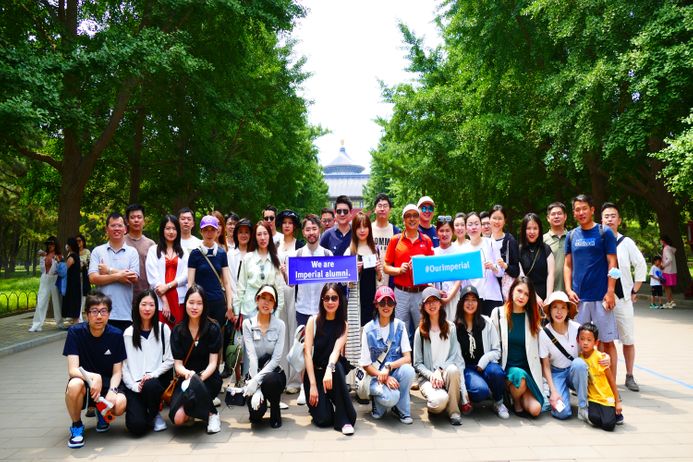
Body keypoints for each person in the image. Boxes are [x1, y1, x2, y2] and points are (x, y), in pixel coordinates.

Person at [564, 194, 618, 381]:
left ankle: (611, 384)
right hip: (579, 299)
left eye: (584, 208)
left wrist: (610, 292)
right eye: (577, 209)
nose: (581, 212)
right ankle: (581, 382)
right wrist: (569, 290)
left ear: (592, 210)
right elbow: (568, 265)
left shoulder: (605, 233)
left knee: (607, 341)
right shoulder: (571, 235)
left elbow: (613, 263)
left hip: (602, 297)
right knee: (579, 342)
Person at [63, 292, 127, 448]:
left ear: (109, 314)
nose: (99, 316)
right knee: (74, 385)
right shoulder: (75, 332)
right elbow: (72, 370)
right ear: (86, 314)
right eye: (94, 311)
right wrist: (94, 377)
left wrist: (112, 390)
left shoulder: (116, 335)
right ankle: (77, 426)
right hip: (85, 382)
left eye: (103, 311)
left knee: (119, 404)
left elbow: (117, 371)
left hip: (107, 383)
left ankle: (101, 412)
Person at [601, 202, 647, 392]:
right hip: (602, 298)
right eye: (606, 216)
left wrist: (634, 290)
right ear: (601, 220)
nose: (610, 219)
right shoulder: (598, 241)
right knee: (602, 339)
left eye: (613, 216)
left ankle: (629, 375)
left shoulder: (626, 243)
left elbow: (641, 265)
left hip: (623, 298)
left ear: (619, 220)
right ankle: (602, 376)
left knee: (627, 338)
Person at [303, 283, 357, 435]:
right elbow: (307, 353)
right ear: (322, 300)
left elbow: (335, 351)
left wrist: (329, 369)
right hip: (314, 374)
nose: (330, 302)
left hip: (332, 373)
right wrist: (313, 385)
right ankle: (323, 405)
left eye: (334, 298)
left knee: (337, 367)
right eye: (327, 298)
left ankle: (344, 419)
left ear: (340, 301)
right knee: (324, 420)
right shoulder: (313, 321)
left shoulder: (343, 325)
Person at [169, 285, 223, 434]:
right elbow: (178, 365)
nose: (194, 307)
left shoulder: (213, 328)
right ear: (185, 303)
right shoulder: (178, 331)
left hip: (209, 378)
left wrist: (198, 378)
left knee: (197, 389)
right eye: (191, 302)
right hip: (186, 379)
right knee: (178, 419)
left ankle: (212, 414)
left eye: (199, 303)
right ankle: (194, 410)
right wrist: (188, 375)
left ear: (204, 305)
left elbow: (213, 363)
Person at [292, 214, 334, 404]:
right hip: (302, 308)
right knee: (304, 348)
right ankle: (304, 386)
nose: (311, 233)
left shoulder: (327, 255)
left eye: (314, 229)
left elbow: (334, 283)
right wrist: (287, 274)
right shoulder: (297, 254)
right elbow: (291, 284)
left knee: (322, 348)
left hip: (322, 310)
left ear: (320, 230)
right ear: (304, 232)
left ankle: (325, 383)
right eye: (307, 229)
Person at [359, 286, 416, 424]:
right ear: (376, 305)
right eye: (382, 302)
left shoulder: (400, 326)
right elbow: (366, 365)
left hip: (394, 375)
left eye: (389, 302)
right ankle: (378, 406)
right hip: (375, 378)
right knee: (391, 398)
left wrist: (389, 367)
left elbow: (407, 358)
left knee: (409, 371)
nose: (386, 306)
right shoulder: (367, 329)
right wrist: (383, 377)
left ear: (395, 305)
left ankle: (402, 410)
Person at [413, 287, 469, 425]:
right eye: (428, 302)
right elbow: (417, 363)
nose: (432, 305)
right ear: (423, 306)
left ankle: (454, 412)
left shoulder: (451, 327)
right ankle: (440, 403)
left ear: (440, 303)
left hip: (445, 373)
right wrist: (432, 375)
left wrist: (440, 370)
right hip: (428, 378)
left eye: (435, 301)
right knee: (438, 402)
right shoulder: (420, 331)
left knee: (453, 370)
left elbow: (454, 355)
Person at [491, 276, 544, 417]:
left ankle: (516, 396)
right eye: (519, 291)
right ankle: (516, 401)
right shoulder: (498, 313)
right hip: (507, 369)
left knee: (536, 410)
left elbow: (542, 345)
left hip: (528, 371)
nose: (522, 296)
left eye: (526, 294)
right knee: (519, 378)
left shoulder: (532, 317)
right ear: (512, 290)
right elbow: (492, 344)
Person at [122, 290, 173, 435]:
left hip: (155, 382)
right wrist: (133, 386)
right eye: (143, 304)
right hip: (135, 386)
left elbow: (170, 359)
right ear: (137, 306)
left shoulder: (163, 329)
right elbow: (124, 366)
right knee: (136, 427)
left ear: (156, 307)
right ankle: (145, 414)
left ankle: (154, 412)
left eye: (151, 305)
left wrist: (153, 374)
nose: (147, 309)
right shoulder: (128, 333)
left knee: (150, 385)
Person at [454, 285, 509, 419]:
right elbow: (456, 359)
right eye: (467, 300)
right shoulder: (454, 327)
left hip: (486, 365)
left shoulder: (487, 323)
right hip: (468, 369)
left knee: (496, 372)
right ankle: (477, 392)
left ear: (478, 303)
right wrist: (463, 392)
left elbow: (497, 351)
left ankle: (498, 401)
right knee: (480, 391)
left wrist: (483, 361)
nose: (470, 303)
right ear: (461, 303)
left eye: (474, 300)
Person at [383, 204, 435, 343]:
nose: (412, 219)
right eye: (408, 216)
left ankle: (422, 362)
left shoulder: (427, 240)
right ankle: (402, 362)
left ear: (419, 219)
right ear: (403, 220)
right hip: (401, 293)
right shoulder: (395, 240)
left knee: (423, 330)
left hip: (421, 292)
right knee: (401, 331)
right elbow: (386, 267)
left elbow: (432, 268)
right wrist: (399, 270)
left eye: (415, 215)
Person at [539, 291, 590, 422]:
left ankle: (583, 406)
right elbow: (545, 366)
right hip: (557, 373)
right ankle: (556, 396)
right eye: (555, 307)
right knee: (563, 413)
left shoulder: (577, 328)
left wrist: (603, 357)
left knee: (579, 363)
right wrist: (553, 390)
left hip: (575, 370)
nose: (559, 312)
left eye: (563, 307)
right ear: (549, 311)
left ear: (568, 310)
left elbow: (589, 351)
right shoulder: (544, 334)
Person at [242, 285, 286, 428]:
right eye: (263, 298)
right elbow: (252, 357)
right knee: (255, 416)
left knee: (271, 380)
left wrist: (257, 382)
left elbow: (276, 359)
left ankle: (275, 408)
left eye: (271, 300)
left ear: (274, 305)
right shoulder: (247, 324)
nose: (266, 303)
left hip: (273, 373)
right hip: (254, 372)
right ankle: (261, 402)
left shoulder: (280, 325)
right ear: (257, 299)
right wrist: (256, 387)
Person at [343, 212, 382, 371]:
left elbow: (379, 279)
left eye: (365, 226)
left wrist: (379, 271)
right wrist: (354, 274)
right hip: (355, 302)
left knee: (371, 335)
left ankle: (372, 373)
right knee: (355, 338)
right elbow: (346, 284)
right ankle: (354, 377)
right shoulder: (350, 251)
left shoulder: (375, 249)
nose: (362, 230)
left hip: (372, 300)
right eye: (358, 227)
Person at [89, 213, 140, 332]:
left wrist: (108, 271)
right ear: (107, 229)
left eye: (119, 225)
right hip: (100, 313)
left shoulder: (132, 252)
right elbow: (93, 278)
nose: (116, 228)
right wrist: (119, 276)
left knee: (123, 350)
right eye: (113, 226)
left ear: (125, 229)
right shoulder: (98, 251)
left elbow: (133, 278)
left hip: (125, 314)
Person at [276, 209, 304, 395]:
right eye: (284, 222)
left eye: (290, 222)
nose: (287, 225)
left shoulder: (299, 246)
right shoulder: (274, 244)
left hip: (295, 290)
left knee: (294, 332)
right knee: (280, 331)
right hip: (277, 290)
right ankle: (281, 376)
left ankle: (295, 379)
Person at [188, 215, 234, 328]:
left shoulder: (222, 253)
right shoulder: (195, 254)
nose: (209, 233)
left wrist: (229, 305)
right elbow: (190, 283)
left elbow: (227, 282)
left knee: (217, 338)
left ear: (217, 231)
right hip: (200, 303)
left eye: (212, 229)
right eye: (206, 230)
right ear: (201, 232)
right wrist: (192, 304)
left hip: (218, 303)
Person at [234, 221, 285, 320]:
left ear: (270, 236)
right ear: (255, 237)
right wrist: (237, 311)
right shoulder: (248, 258)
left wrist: (277, 312)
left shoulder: (276, 259)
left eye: (265, 234)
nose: (262, 238)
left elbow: (279, 288)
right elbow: (241, 286)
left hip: (269, 309)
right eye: (259, 234)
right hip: (249, 309)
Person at [145, 215, 189, 328]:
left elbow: (186, 276)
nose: (171, 232)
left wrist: (168, 286)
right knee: (160, 333)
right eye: (167, 228)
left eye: (174, 229)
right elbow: (153, 279)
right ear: (162, 230)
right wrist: (164, 301)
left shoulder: (183, 252)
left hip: (180, 299)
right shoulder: (153, 250)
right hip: (159, 300)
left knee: (179, 333)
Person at [578, 322, 622, 431]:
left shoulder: (601, 358)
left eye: (589, 340)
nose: (585, 343)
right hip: (593, 398)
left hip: (606, 397)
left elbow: (611, 381)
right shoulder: (579, 358)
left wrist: (617, 402)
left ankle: (615, 414)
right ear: (578, 340)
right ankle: (604, 414)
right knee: (594, 418)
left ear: (596, 342)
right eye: (582, 339)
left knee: (608, 425)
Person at [460, 212, 504, 316]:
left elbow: (501, 272)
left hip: (491, 296)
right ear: (466, 228)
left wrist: (493, 267)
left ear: (481, 226)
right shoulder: (463, 250)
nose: (473, 227)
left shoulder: (491, 243)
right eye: (470, 224)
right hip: (472, 299)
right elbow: (462, 279)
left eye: (476, 223)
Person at [519, 213, 555, 306]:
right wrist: (534, 296)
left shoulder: (546, 248)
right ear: (524, 230)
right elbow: (521, 276)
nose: (532, 232)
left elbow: (551, 274)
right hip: (526, 295)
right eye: (528, 228)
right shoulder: (519, 250)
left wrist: (549, 297)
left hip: (545, 297)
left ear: (539, 230)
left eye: (535, 228)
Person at [30, 236, 64, 331]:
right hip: (45, 278)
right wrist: (43, 257)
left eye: (52, 244)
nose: (50, 246)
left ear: (55, 245)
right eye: (48, 244)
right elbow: (42, 269)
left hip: (55, 279)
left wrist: (55, 258)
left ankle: (60, 323)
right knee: (41, 301)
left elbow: (60, 267)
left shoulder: (59, 255)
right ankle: (36, 325)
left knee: (57, 302)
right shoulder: (44, 255)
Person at [434, 215, 464, 319]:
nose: (444, 234)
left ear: (453, 232)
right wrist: (436, 291)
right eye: (441, 230)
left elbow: (459, 279)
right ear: (437, 232)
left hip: (454, 298)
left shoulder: (458, 252)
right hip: (435, 299)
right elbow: (428, 278)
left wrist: (449, 297)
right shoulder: (433, 252)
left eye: (448, 230)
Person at [489, 204, 521, 302]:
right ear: (489, 219)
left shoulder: (510, 241)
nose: (497, 221)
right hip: (490, 291)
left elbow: (516, 271)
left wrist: (505, 266)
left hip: (506, 291)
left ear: (505, 221)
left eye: (500, 218)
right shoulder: (486, 241)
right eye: (494, 218)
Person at [124, 204, 156, 298]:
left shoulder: (151, 244)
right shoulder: (121, 242)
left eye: (139, 217)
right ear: (127, 221)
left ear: (144, 221)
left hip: (146, 295)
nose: (136, 220)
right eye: (132, 217)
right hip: (125, 293)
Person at [371, 193, 401, 288]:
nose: (382, 209)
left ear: (390, 210)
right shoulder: (367, 230)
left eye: (385, 206)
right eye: (379, 206)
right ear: (375, 209)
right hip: (371, 278)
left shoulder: (396, 232)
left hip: (391, 281)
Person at [543, 202, 569, 292]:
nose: (556, 216)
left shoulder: (573, 237)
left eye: (559, 213)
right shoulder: (542, 240)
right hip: (548, 291)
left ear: (565, 217)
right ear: (548, 218)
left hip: (570, 291)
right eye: (553, 214)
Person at [228, 218, 252, 295]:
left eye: (246, 232)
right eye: (240, 232)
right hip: (235, 299)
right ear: (236, 234)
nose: (243, 235)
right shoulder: (230, 254)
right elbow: (230, 280)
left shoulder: (255, 254)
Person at [62, 237, 83, 324]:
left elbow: (65, 268)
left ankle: (75, 322)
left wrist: (60, 262)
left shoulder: (72, 256)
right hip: (75, 282)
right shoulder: (76, 255)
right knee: (74, 300)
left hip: (72, 283)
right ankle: (74, 321)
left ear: (70, 246)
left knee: (72, 301)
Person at [660, 235, 677, 308]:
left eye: (660, 240)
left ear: (663, 241)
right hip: (672, 270)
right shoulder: (670, 248)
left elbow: (669, 259)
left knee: (666, 287)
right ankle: (671, 301)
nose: (660, 242)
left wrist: (663, 265)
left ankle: (670, 302)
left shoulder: (666, 248)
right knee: (668, 287)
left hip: (667, 270)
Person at [77, 234, 91, 315]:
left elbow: (90, 263)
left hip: (84, 274)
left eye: (80, 241)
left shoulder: (87, 251)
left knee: (84, 292)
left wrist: (85, 263)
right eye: (77, 241)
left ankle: (82, 310)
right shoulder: (74, 252)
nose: (78, 243)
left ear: (83, 242)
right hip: (75, 276)